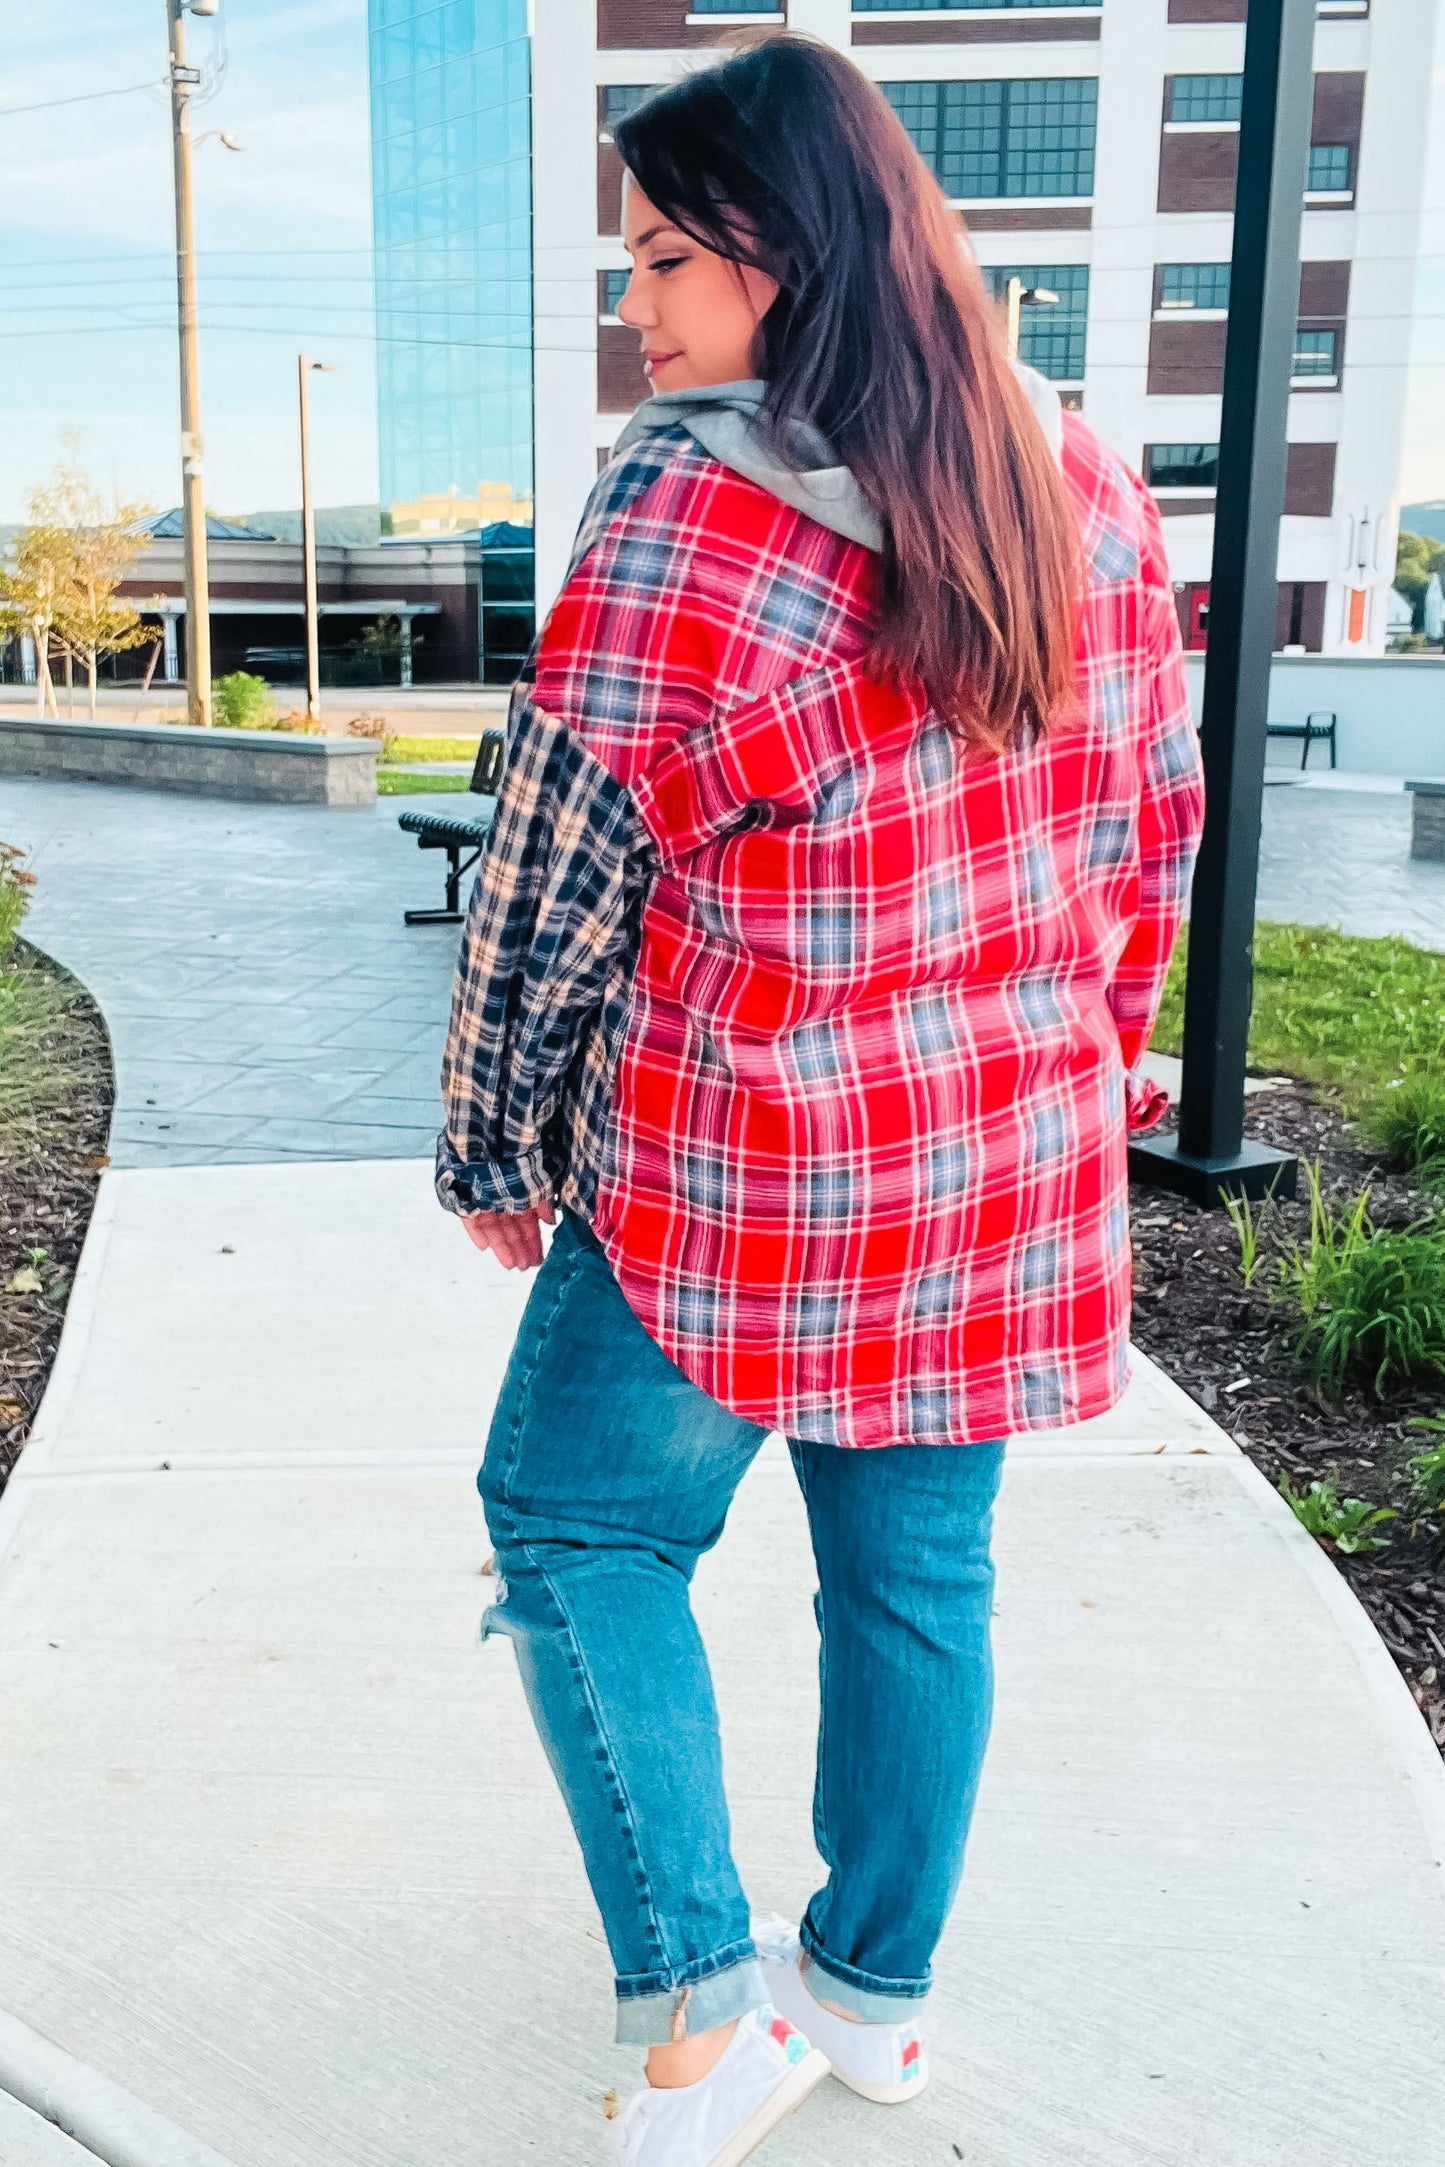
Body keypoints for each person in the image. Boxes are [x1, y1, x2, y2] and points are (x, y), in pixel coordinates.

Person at [436, 33, 1204, 2166]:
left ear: (780, 254)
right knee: (915, 1576)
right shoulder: (1087, 481)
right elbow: (1152, 824)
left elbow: (561, 855)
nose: (640, 312)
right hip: (998, 1156)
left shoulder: (694, 503)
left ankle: (702, 2010)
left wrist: (500, 1132)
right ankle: (869, 1995)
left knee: (579, 1520)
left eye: (665, 261)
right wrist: (1087, 1063)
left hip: (744, 1153)